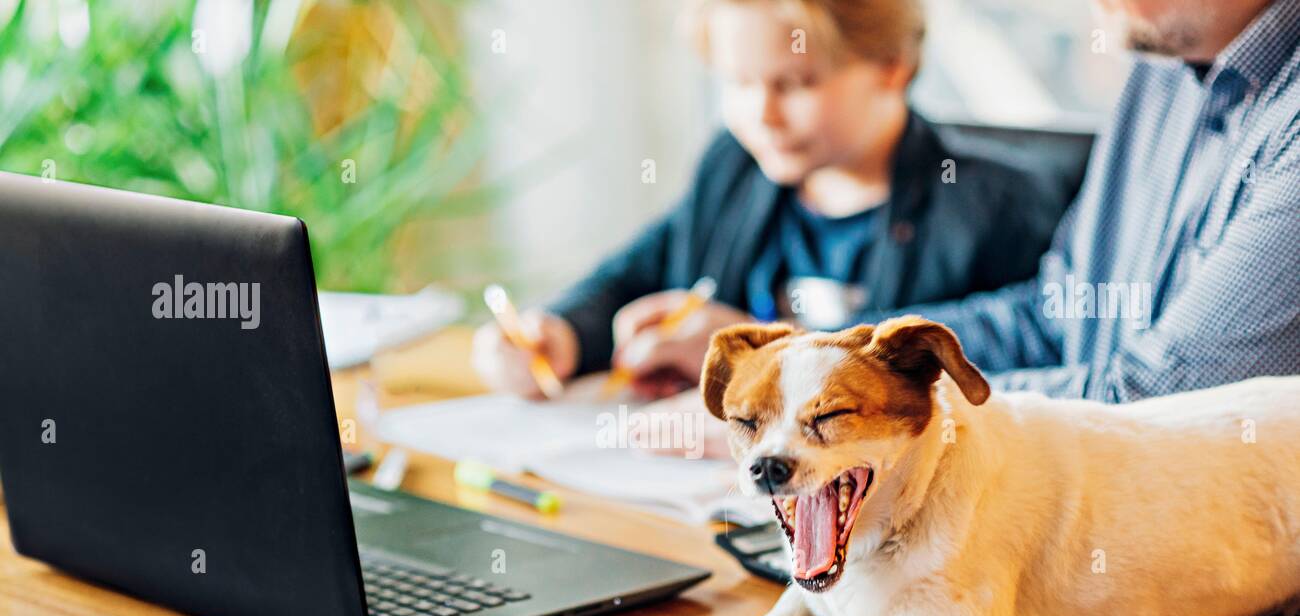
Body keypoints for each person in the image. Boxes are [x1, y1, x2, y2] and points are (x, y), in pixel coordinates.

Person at [472, 0, 1066, 409]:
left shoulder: (994, 211)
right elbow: (638, 275)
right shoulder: (738, 165)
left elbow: (1005, 373)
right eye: (738, 82)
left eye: (795, 83)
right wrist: (564, 336)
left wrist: (764, 352)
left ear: (893, 66)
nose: (761, 114)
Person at [914, 0, 1300, 401]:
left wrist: (885, 396)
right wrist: (867, 350)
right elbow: (1061, 319)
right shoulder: (1160, 64)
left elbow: (1153, 407)